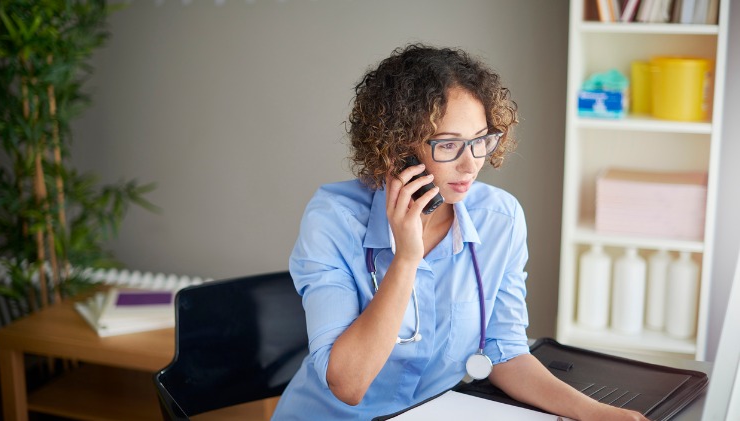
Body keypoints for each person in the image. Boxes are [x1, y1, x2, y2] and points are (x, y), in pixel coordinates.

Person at [271, 44, 647, 421]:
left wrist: (596, 413)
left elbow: (505, 353)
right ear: (398, 149)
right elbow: (348, 385)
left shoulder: (500, 219)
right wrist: (406, 258)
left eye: (481, 140)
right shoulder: (333, 220)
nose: (471, 164)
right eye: (449, 144)